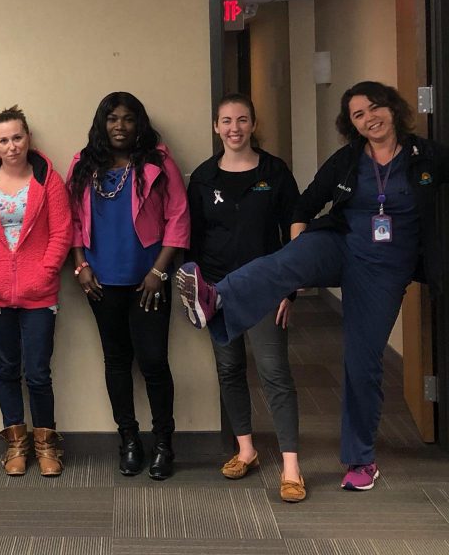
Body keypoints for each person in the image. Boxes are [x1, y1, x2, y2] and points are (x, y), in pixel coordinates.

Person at [177, 81, 449, 492]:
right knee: (286, 258)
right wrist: (300, 255)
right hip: (340, 245)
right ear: (351, 124)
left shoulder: (426, 157)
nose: (369, 118)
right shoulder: (348, 160)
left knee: (362, 362)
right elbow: (304, 206)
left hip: (385, 269)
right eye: (358, 115)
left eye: (375, 108)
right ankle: (216, 297)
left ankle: (361, 460)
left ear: (393, 109)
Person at [186, 94, 305, 502]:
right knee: (230, 370)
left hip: (265, 288)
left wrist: (290, 288)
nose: (234, 128)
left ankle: (291, 465)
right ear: (216, 127)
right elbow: (194, 241)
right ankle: (246, 449)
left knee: (275, 375)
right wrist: (198, 292)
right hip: (217, 291)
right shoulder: (203, 178)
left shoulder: (275, 171)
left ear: (253, 124)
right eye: (225, 121)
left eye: (241, 120)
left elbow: (295, 228)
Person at [67, 92, 189, 480]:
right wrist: (80, 264)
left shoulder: (158, 162)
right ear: (102, 123)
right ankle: (130, 441)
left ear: (139, 124)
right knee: (116, 361)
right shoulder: (84, 164)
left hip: (148, 281)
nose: (120, 126)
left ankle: (164, 444)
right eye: (112, 119)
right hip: (101, 280)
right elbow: (70, 219)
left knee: (153, 361)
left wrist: (159, 271)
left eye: (128, 119)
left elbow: (178, 216)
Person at [0, 106, 71, 477]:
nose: (12, 146)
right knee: (7, 370)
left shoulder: (48, 181)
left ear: (28, 139)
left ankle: (46, 445)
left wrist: (44, 273)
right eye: (4, 140)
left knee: (39, 372)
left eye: (18, 137)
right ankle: (16, 445)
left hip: (39, 294)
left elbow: (61, 233)